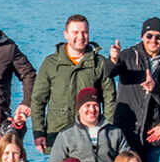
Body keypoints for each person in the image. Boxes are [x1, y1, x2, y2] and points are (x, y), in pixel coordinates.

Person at [30, 15, 114, 154]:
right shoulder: (51, 63)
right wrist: (38, 132)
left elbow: (109, 99)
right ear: (66, 35)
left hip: (91, 132)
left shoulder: (100, 63)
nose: (80, 37)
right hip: (57, 131)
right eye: (75, 32)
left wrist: (107, 129)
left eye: (84, 32)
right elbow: (38, 99)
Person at [104, 17, 160, 162]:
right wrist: (113, 59)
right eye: (149, 36)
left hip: (152, 133)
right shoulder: (128, 55)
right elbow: (108, 73)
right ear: (142, 36)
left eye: (158, 37)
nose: (153, 40)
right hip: (126, 130)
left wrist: (155, 89)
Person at [46, 86, 129, 162]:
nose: (92, 110)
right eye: (87, 105)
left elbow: (128, 160)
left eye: (95, 105)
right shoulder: (66, 135)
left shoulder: (115, 132)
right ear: (79, 108)